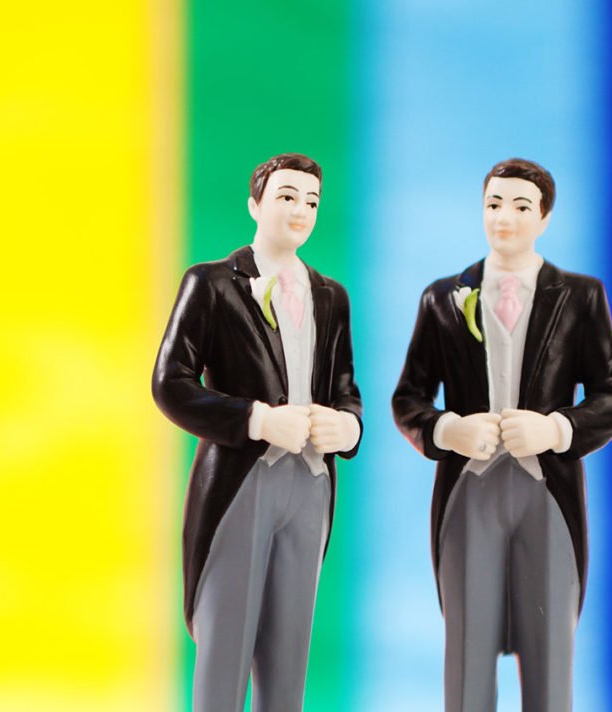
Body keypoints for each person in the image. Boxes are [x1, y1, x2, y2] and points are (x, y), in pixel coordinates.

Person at [392, 158, 612, 711]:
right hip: (469, 492)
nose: (504, 218)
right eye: (494, 204)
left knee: (549, 649)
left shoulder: (580, 296)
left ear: (544, 217)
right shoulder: (443, 297)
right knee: (468, 647)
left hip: (547, 491)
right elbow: (409, 399)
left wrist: (555, 427)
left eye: (521, 206)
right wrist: (449, 429)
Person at [152, 152, 363, 711]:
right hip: (242, 481)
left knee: (289, 652)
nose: (300, 210)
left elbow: (344, 386)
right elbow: (170, 383)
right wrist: (257, 419)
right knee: (226, 647)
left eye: (311, 201)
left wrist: (346, 425)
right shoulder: (212, 284)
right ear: (255, 204)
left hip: (311, 485)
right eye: (286, 197)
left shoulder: (331, 297)